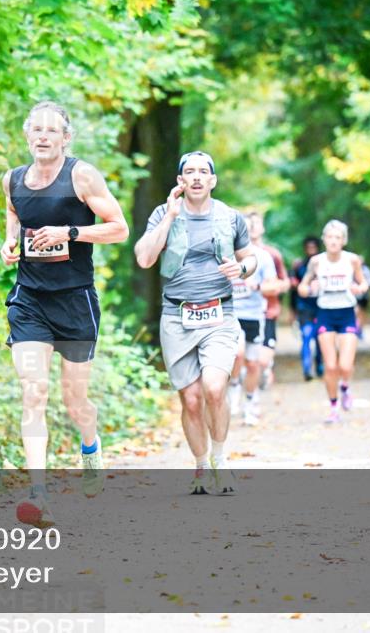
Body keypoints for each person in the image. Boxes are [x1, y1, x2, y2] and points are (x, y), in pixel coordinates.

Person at [0, 101, 129, 526]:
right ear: (26, 135)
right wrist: (9, 245)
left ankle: (89, 448)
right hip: (30, 300)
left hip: (75, 301)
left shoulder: (82, 175)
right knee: (34, 392)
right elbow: (14, 222)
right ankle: (38, 494)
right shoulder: (12, 180)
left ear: (65, 137)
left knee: (76, 403)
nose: (42, 136)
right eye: (35, 129)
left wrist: (70, 233)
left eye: (51, 130)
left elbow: (119, 228)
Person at [134, 151, 255, 495]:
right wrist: (170, 217)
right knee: (190, 400)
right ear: (180, 181)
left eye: (204, 172)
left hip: (219, 314)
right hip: (177, 316)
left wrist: (242, 269)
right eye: (190, 172)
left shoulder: (230, 217)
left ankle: (220, 458)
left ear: (213, 180)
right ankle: (201, 465)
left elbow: (251, 257)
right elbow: (144, 258)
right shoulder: (163, 213)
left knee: (215, 388)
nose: (198, 177)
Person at [298, 220, 369, 424]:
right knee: (330, 366)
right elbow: (302, 288)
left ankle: (345, 387)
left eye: (338, 237)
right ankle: (333, 407)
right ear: (324, 240)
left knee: (345, 366)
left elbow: (363, 282)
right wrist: (311, 287)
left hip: (346, 313)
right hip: (325, 314)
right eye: (330, 237)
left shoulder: (352, 260)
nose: (333, 241)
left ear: (343, 241)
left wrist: (359, 288)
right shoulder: (316, 262)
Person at [227, 213, 278, 427]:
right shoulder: (225, 254)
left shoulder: (262, 256)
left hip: (255, 315)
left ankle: (250, 404)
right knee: (237, 354)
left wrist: (256, 286)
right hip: (231, 314)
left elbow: (273, 286)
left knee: (253, 363)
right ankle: (234, 386)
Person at [254, 214, 290, 390]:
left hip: (267, 311)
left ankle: (265, 368)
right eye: (249, 224)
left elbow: (285, 282)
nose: (253, 227)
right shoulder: (233, 253)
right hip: (240, 312)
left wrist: (270, 286)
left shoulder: (272, 254)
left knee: (262, 358)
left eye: (257, 223)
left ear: (262, 228)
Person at [290, 236, 323, 381]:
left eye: (313, 247)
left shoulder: (324, 265)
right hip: (304, 308)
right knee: (306, 336)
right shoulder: (299, 266)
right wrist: (292, 310)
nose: (311, 250)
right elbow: (293, 290)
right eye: (308, 248)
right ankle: (307, 368)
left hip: (322, 307)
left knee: (321, 338)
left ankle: (320, 366)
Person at [354, 256, 370, 339]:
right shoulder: (351, 270)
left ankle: (360, 330)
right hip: (355, 296)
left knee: (362, 314)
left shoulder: (366, 270)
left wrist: (364, 287)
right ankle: (355, 328)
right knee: (356, 311)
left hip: (364, 296)